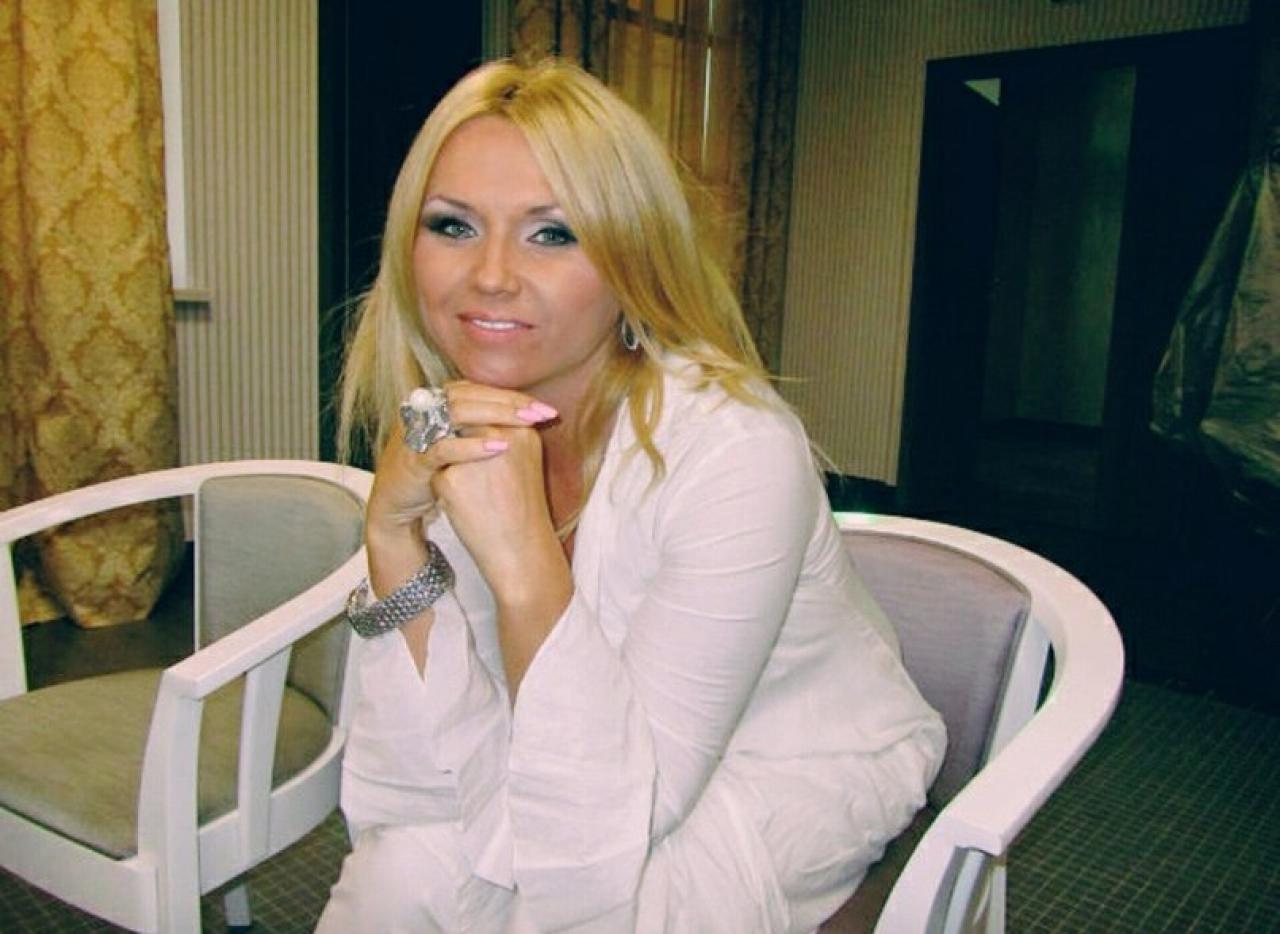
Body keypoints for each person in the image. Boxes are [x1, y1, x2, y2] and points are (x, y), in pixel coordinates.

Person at [317, 58, 945, 934]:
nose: (490, 275)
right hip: (567, 742)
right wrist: (391, 535)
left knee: (587, 911)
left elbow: (617, 821)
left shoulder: (736, 451)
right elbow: (428, 761)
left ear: (632, 259)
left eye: (553, 234)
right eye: (453, 225)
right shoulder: (457, 418)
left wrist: (526, 563)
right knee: (400, 874)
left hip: (778, 758)